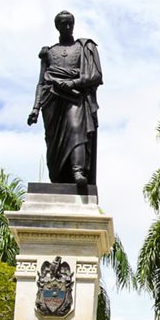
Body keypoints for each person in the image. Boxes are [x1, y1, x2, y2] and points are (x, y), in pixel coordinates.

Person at [28, 10, 103, 187]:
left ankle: (78, 171)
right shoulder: (49, 52)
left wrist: (73, 83)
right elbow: (41, 82)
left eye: (70, 23)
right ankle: (58, 177)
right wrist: (35, 108)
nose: (68, 27)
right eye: (64, 24)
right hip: (52, 100)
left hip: (75, 97)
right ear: (57, 26)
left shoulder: (84, 47)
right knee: (53, 143)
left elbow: (96, 76)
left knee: (77, 129)